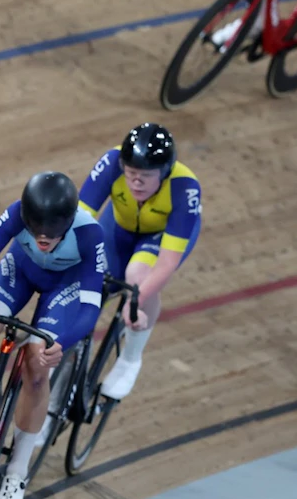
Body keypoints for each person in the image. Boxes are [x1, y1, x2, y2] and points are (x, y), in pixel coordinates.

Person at [0, 171, 109, 499]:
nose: (41, 239)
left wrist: (62, 342)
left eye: (50, 236)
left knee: (37, 365)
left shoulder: (89, 233)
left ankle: (17, 473)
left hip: (65, 286)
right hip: (20, 272)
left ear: (66, 224)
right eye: (35, 232)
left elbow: (91, 306)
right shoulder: (16, 212)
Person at [77, 123, 203, 400]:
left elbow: (166, 264)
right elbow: (78, 220)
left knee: (137, 278)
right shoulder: (111, 162)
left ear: (165, 172)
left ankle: (130, 359)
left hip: (160, 236)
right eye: (131, 173)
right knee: (91, 281)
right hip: (118, 227)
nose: (136, 182)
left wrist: (135, 300)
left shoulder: (184, 188)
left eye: (145, 176)